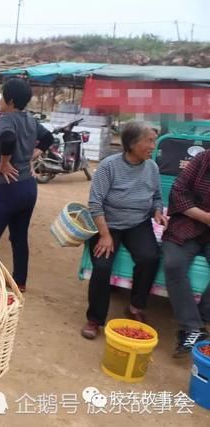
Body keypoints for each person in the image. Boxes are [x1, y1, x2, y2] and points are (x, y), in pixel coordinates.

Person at [81, 121, 167, 339]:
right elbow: (95, 203)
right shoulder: (109, 166)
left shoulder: (152, 167)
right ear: (131, 143)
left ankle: (136, 307)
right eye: (149, 141)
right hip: (108, 223)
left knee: (150, 257)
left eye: (154, 141)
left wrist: (157, 211)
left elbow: (157, 197)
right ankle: (95, 319)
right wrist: (105, 235)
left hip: (138, 223)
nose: (153, 146)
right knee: (102, 264)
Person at [0, 78, 55, 293]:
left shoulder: (7, 118)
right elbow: (48, 138)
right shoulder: (30, 120)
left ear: (10, 100)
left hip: (8, 188)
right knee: (19, 237)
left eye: (2, 95)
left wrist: (4, 162)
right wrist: (32, 156)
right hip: (28, 188)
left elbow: (9, 139)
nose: (0, 99)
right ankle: (19, 282)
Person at [162, 148, 210, 357]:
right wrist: (205, 217)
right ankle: (193, 328)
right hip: (189, 223)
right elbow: (178, 192)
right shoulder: (202, 159)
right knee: (173, 264)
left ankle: (198, 322)